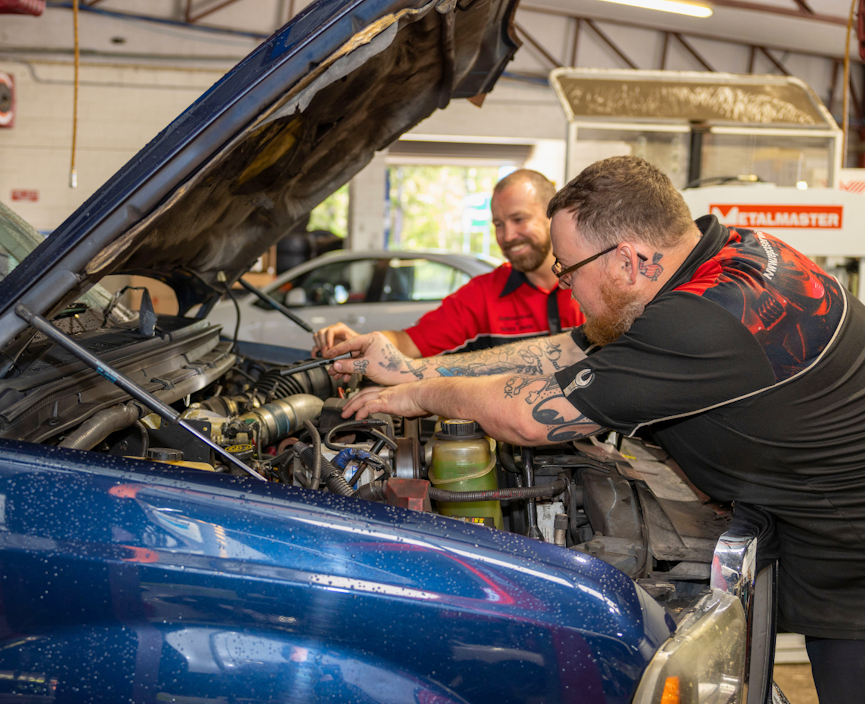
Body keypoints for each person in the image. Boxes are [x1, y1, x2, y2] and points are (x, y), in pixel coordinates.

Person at [326, 155, 865, 700]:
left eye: (568, 269)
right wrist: (414, 369)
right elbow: (567, 350)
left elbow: (527, 415)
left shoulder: (701, 323)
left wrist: (420, 394)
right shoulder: (727, 257)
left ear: (629, 259)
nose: (565, 289)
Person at [311, 169, 584, 363]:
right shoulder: (483, 295)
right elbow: (409, 343)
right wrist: (360, 341)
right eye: (499, 224)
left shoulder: (592, 284)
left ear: (552, 215)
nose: (507, 236)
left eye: (519, 219)